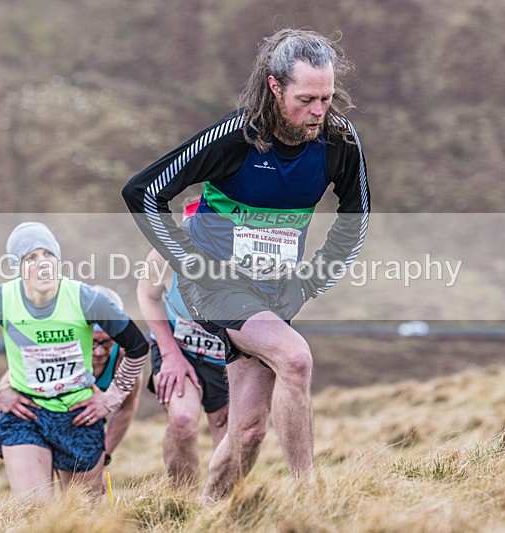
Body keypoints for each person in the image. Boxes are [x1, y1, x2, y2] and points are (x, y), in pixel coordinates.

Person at [122, 28, 370, 500]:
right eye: (307, 98)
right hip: (216, 286)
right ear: (275, 88)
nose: (319, 110)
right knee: (295, 359)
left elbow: (355, 221)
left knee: (249, 431)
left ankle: (208, 513)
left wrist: (311, 282)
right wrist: (189, 263)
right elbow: (142, 192)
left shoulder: (338, 140)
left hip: (278, 290)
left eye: (327, 96)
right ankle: (311, 498)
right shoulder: (235, 138)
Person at [0, 222, 149, 500]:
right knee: (35, 511)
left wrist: (110, 398)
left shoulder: (85, 298)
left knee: (83, 515)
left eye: (48, 255)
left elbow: (138, 347)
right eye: (31, 257)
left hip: (78, 415)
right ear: (17, 266)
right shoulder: (0, 299)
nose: (42, 264)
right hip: (27, 415)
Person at [0, 285, 142, 470]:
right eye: (93, 342)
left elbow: (126, 408)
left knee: (80, 494)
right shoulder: (55, 347)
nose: (100, 351)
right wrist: (16, 438)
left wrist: (104, 455)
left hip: (81, 431)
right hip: (39, 426)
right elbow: (1, 395)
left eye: (107, 342)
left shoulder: (125, 359)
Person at [137, 200, 229, 486]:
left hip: (226, 359)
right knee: (182, 420)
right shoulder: (165, 253)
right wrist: (169, 354)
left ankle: (222, 511)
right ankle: (180, 502)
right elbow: (146, 296)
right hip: (179, 349)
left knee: (229, 436)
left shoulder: (241, 255)